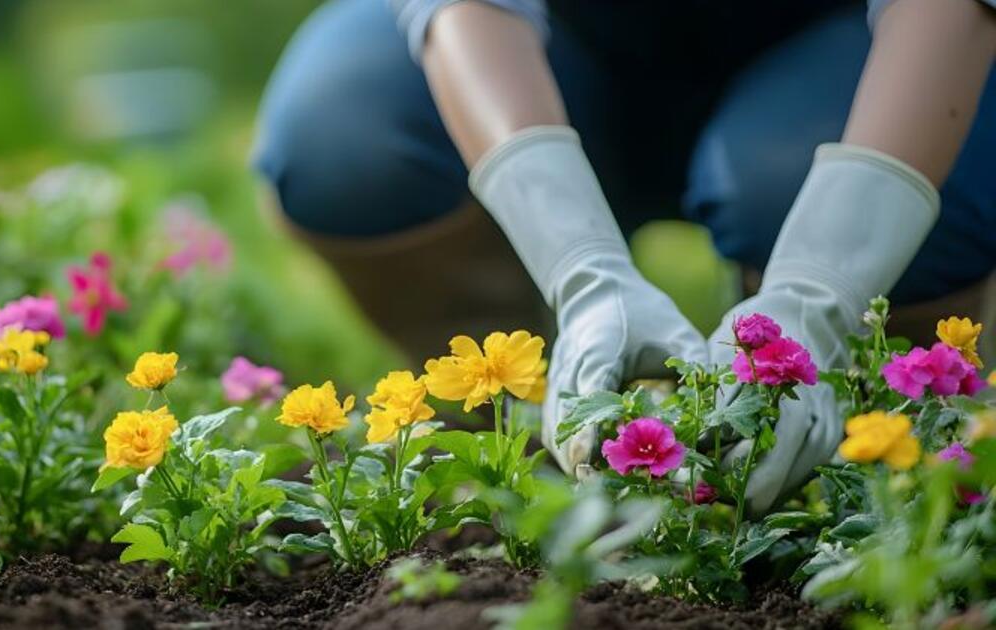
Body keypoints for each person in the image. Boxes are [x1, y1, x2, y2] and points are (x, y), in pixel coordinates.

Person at [253, 0, 996, 513]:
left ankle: (843, 441)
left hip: (842, 43)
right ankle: (521, 421)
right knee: (345, 137)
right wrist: (581, 268)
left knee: (782, 184)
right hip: (562, 45)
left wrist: (820, 291)